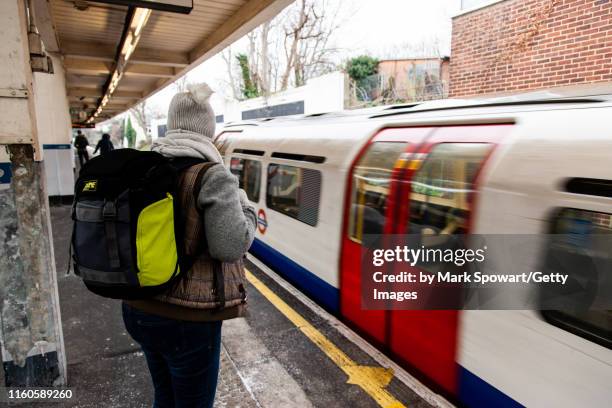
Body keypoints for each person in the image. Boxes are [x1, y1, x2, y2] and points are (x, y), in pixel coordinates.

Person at [122, 83, 256, 408]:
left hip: (138, 308)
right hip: (187, 320)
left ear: (172, 124)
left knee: (165, 397)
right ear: (208, 129)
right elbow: (231, 246)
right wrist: (246, 208)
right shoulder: (213, 175)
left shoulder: (144, 168)